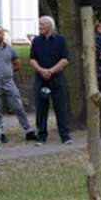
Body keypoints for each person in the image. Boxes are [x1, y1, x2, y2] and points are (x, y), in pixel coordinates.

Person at [0, 24, 36, 143]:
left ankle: (28, 130)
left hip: (9, 82)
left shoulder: (10, 49)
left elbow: (17, 63)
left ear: (3, 34)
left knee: (17, 106)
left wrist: (9, 71)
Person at [28, 16, 71, 145]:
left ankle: (65, 136)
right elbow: (32, 59)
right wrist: (41, 70)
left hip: (57, 78)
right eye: (39, 24)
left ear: (50, 26)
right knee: (41, 108)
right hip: (41, 78)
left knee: (61, 107)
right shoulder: (36, 41)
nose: (39, 27)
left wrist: (51, 70)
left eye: (42, 24)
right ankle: (41, 136)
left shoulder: (60, 40)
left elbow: (65, 59)